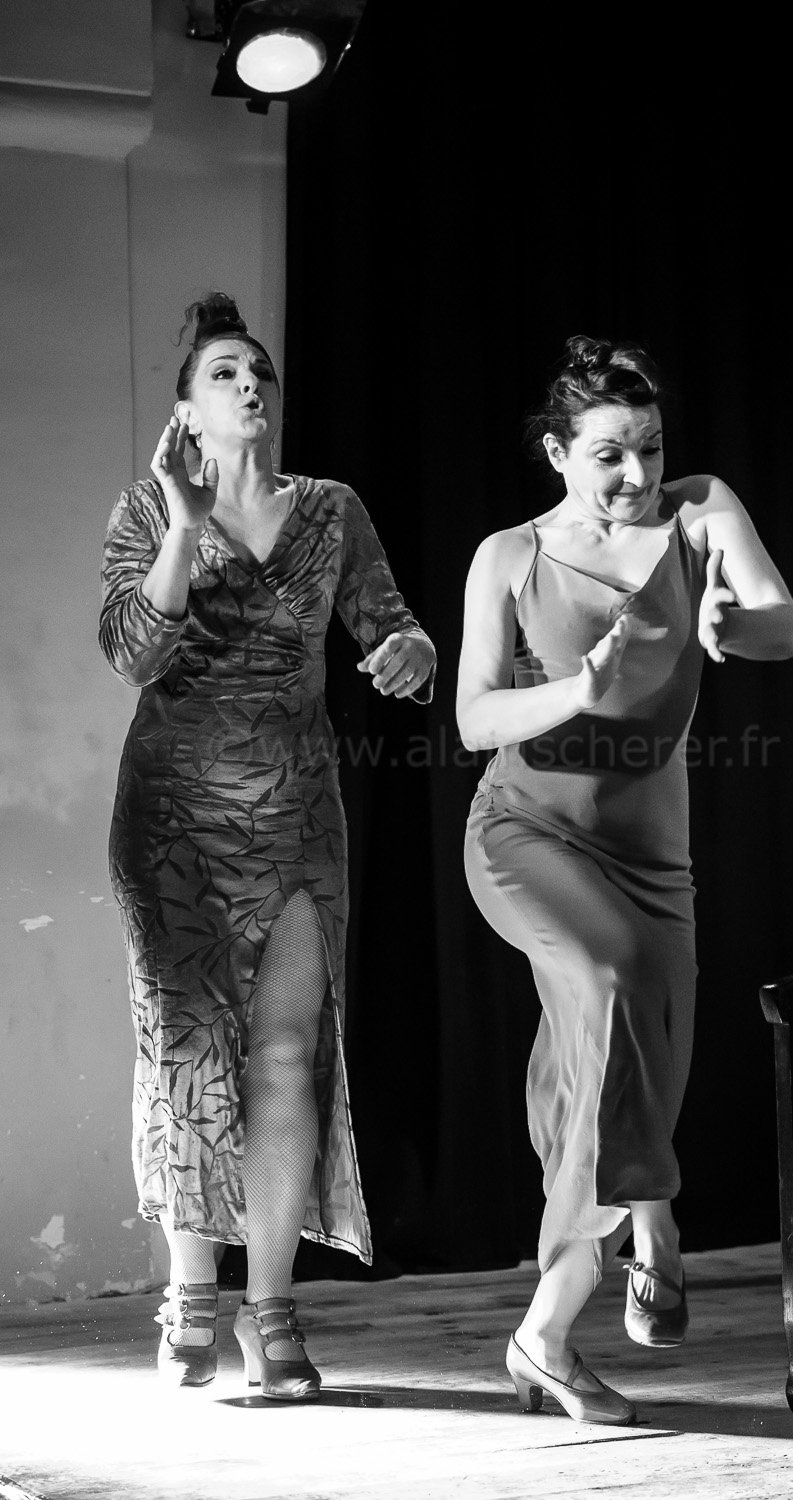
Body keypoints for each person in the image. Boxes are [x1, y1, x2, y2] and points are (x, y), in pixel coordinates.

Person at [458, 335, 793, 1425]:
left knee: (609, 1062)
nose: (637, 474)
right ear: (558, 452)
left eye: (649, 448)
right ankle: (549, 1331)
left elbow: (785, 627)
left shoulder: (700, 514)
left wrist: (732, 625)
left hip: (654, 861)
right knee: (609, 989)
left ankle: (651, 1211)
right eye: (609, 454)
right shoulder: (509, 556)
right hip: (525, 834)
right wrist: (579, 687)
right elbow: (475, 717)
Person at [99, 292, 436, 1399]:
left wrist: (412, 651)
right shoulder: (146, 510)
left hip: (295, 817)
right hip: (174, 826)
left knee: (287, 1055)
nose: (251, 385)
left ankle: (273, 1309)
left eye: (261, 374)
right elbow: (132, 653)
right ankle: (191, 1291)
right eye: (225, 374)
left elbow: (389, 620)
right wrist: (183, 521)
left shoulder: (330, 510)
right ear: (187, 413)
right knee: (190, 1054)